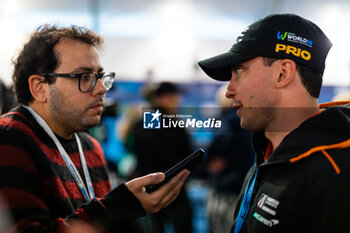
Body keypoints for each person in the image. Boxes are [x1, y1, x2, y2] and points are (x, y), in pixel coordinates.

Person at [0, 25, 190, 233]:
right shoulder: (9, 138)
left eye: (101, 76)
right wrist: (120, 206)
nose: (101, 89)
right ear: (39, 87)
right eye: (84, 77)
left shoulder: (91, 148)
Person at [198, 13, 350, 233]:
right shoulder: (266, 153)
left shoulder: (338, 173)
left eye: (239, 71)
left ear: (282, 73)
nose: (229, 90)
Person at [126, 82, 194, 233]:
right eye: (175, 97)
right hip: (175, 188)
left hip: (150, 189)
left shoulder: (142, 122)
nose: (178, 101)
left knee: (156, 227)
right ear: (164, 98)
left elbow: (132, 148)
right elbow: (186, 155)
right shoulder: (173, 124)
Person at [205, 85, 254, 233]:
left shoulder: (226, 121)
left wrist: (208, 162)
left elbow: (218, 147)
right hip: (246, 188)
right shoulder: (253, 122)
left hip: (226, 190)